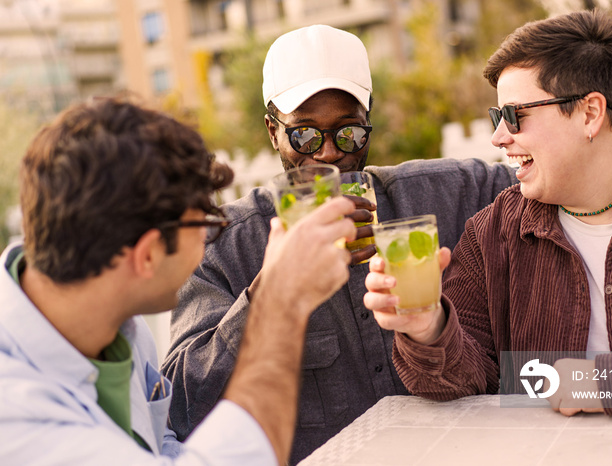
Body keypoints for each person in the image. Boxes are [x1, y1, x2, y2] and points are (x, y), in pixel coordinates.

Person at [161, 24, 518, 463]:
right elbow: (180, 407)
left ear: (368, 126)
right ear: (273, 131)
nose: (329, 152)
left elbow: (547, 177)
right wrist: (272, 291)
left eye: (348, 132)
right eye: (305, 134)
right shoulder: (224, 246)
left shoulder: (441, 194)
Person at [0, 96, 356, 464]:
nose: (210, 241)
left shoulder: (114, 326)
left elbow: (159, 442)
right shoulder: (11, 412)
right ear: (148, 254)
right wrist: (283, 302)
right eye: (206, 226)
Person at [365, 9, 612, 417]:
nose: (499, 137)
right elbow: (462, 381)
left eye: (514, 115)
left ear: (590, 113)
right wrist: (428, 327)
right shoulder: (494, 232)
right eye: (497, 116)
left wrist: (611, 383)